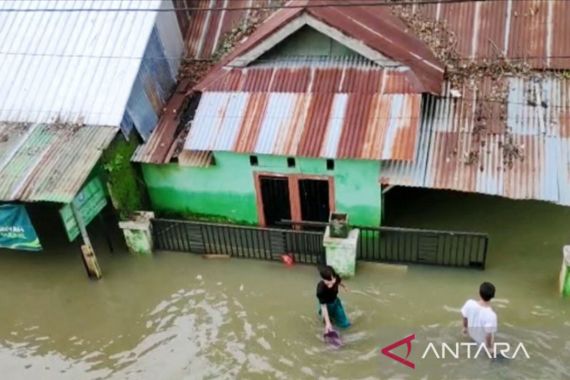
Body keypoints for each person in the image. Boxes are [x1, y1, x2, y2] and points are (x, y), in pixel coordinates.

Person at [461, 282, 498, 352]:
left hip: (472, 336)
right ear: (493, 296)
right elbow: (488, 335)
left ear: (479, 293)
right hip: (482, 343)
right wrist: (489, 348)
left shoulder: (469, 303)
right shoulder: (491, 315)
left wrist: (465, 328)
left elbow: (465, 317)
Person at [316, 265, 350, 332]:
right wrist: (328, 323)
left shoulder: (336, 278)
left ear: (334, 277)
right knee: (327, 322)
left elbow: (339, 282)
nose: (330, 284)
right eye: (327, 282)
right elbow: (323, 306)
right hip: (326, 305)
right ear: (323, 279)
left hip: (335, 301)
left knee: (345, 324)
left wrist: (345, 287)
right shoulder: (320, 289)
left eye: (332, 281)